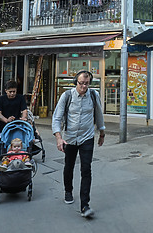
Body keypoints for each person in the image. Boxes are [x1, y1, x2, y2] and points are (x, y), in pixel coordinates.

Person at [51, 70, 105, 219]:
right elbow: (57, 117)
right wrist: (58, 138)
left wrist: (102, 133)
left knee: (86, 169)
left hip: (87, 137)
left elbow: (99, 114)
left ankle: (85, 205)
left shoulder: (93, 95)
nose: (83, 86)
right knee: (69, 166)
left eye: (86, 83)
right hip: (69, 138)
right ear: (76, 82)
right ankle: (68, 190)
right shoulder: (67, 96)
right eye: (81, 83)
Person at [0, 80, 28, 170]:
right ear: (6, 91)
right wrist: (6, 120)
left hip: (16, 129)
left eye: (14, 92)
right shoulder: (1, 99)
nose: (12, 94)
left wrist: (24, 118)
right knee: (1, 150)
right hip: (2, 129)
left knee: (17, 150)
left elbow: (24, 110)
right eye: (10, 92)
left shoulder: (20, 98)